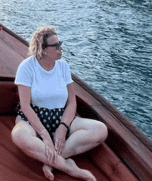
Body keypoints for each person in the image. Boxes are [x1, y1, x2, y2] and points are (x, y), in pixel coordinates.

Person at [11, 26, 108, 181]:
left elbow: (71, 103)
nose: (60, 48)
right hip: (33, 117)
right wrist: (45, 136)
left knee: (100, 130)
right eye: (55, 45)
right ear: (42, 49)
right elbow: (25, 106)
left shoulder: (63, 66)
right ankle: (70, 168)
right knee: (18, 135)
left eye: (60, 43)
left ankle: (50, 162)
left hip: (60, 116)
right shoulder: (27, 67)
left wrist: (63, 127)